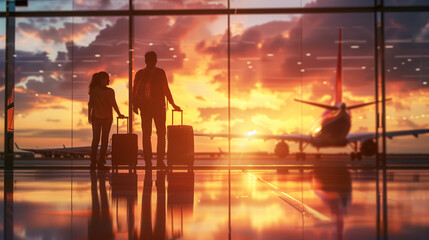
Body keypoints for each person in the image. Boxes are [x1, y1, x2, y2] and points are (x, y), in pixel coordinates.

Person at [133, 51, 180, 168]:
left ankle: (151, 161)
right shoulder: (158, 73)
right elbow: (166, 89)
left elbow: (134, 91)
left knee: (149, 134)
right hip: (156, 107)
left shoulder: (141, 73)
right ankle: (157, 160)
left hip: (149, 107)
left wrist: (135, 105)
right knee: (159, 134)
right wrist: (173, 104)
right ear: (154, 60)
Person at [88, 71, 124, 170]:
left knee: (99, 140)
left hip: (103, 118)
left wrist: (119, 113)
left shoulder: (104, 91)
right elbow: (91, 104)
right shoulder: (99, 91)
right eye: (106, 78)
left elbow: (113, 104)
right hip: (101, 118)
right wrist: (89, 116)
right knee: (100, 140)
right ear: (101, 80)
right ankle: (96, 162)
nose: (108, 80)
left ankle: (96, 162)